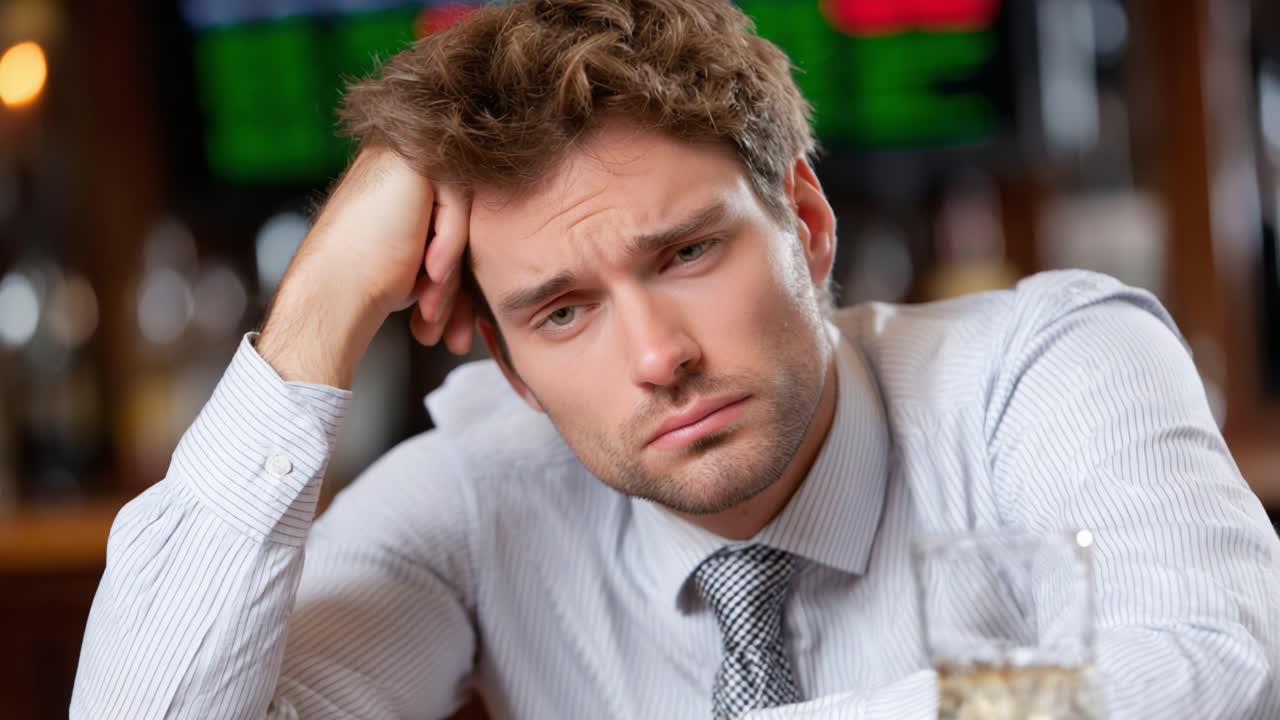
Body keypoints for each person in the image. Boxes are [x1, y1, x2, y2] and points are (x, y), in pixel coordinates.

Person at [71, 0, 1280, 718]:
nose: (656, 357)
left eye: (689, 253)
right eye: (559, 314)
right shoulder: (479, 493)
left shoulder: (1041, 366)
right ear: (500, 360)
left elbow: (1206, 668)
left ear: (804, 225)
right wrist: (318, 307)